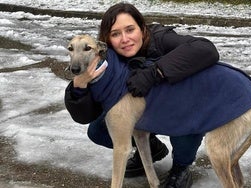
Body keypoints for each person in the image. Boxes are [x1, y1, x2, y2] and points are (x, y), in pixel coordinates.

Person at [65, 2, 219, 187]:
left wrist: (155, 72)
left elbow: (206, 49)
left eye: (130, 29)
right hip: (140, 109)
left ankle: (181, 167)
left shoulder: (161, 38)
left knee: (184, 120)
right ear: (107, 40)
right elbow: (85, 115)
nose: (124, 39)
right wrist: (79, 86)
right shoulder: (107, 56)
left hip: (178, 106)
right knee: (97, 130)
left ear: (142, 27)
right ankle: (150, 147)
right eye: (115, 34)